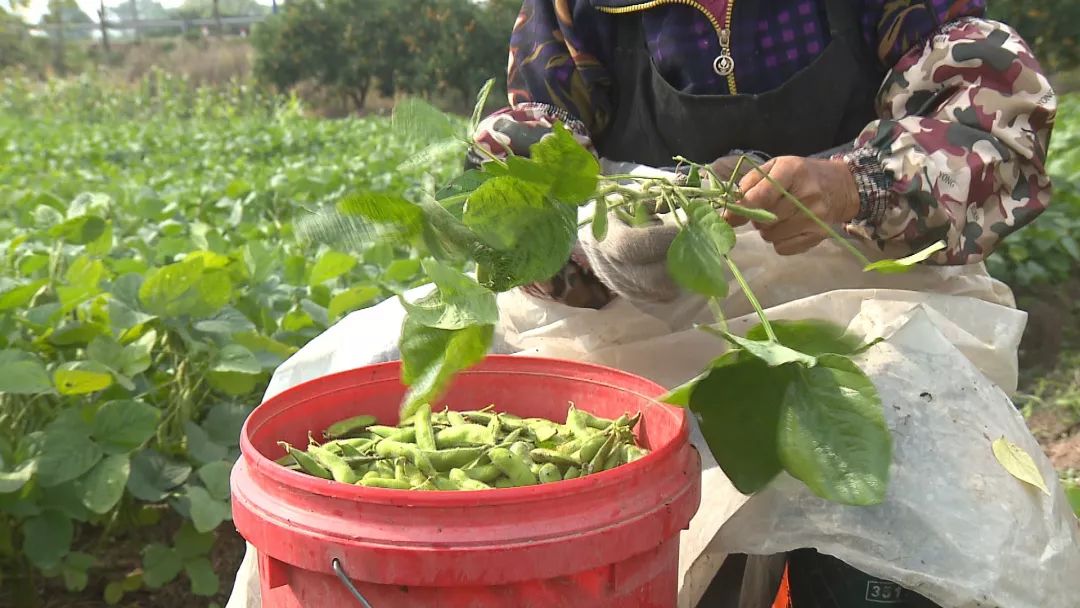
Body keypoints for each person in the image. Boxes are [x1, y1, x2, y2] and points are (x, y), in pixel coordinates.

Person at [228, 2, 1065, 607]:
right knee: (356, 365)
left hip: (860, 300)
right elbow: (508, 169)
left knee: (905, 500)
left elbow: (1000, 119)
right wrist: (592, 245)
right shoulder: (578, 14)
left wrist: (850, 184)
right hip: (635, 326)